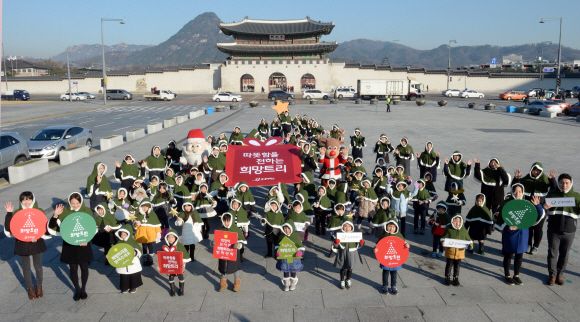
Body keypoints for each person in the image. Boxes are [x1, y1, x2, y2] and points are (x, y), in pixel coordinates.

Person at [4, 192, 50, 300]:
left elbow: (44, 227)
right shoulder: (17, 212)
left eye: (28, 199)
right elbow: (9, 229)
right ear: (21, 201)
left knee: (38, 266)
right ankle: (30, 289)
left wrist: (38, 236)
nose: (26, 202)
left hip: (36, 243)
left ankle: (39, 287)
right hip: (22, 244)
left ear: (33, 200)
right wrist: (9, 214)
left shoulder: (39, 211)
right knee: (26, 268)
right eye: (24, 200)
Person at [49, 192, 94, 301]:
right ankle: (77, 290)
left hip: (84, 243)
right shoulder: (64, 212)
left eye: (77, 203)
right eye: (72, 203)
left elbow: (92, 227)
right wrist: (55, 215)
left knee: (84, 267)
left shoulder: (86, 211)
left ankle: (83, 289)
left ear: (81, 202)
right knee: (73, 268)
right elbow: (51, 227)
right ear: (69, 202)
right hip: (70, 244)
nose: (75, 205)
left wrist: (87, 240)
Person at [495, 184, 544, 285]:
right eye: (515, 191)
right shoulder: (507, 202)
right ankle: (507, 275)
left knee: (519, 255)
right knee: (508, 254)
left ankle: (516, 275)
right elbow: (500, 217)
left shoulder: (526, 203)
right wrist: (507, 226)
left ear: (523, 192)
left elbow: (538, 215)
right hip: (510, 233)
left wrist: (537, 205)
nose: (517, 193)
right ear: (512, 191)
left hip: (523, 233)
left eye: (520, 191)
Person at [543, 173, 580, 286]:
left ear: (571, 183)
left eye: (566, 183)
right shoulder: (552, 193)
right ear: (558, 183)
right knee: (552, 253)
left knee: (564, 254)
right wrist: (544, 207)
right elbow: (543, 207)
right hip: (554, 229)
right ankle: (552, 276)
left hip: (569, 230)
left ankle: (560, 275)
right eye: (561, 183)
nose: (564, 185)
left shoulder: (576, 196)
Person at [513, 163, 554, 255]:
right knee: (529, 228)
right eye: (534, 170)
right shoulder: (525, 179)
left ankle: (536, 246)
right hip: (528, 209)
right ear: (531, 170)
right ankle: (528, 244)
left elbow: (554, 189)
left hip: (541, 208)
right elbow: (514, 188)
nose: (536, 172)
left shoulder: (545, 181)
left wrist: (552, 180)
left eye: (538, 170)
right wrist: (516, 179)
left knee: (538, 228)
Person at [374, 220, 409, 295]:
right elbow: (378, 244)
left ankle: (393, 286)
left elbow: (404, 243)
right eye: (389, 226)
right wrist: (375, 249)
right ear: (386, 226)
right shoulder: (384, 234)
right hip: (385, 259)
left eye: (393, 227)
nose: (391, 228)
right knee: (385, 273)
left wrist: (407, 245)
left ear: (396, 227)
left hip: (395, 259)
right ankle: (385, 286)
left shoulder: (399, 235)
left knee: (394, 273)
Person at [213, 213, 246, 292]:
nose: (226, 223)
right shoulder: (220, 229)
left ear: (231, 221)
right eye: (224, 221)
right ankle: (223, 283)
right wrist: (213, 243)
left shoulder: (236, 229)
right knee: (223, 267)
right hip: (223, 253)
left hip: (233, 252)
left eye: (228, 221)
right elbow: (217, 241)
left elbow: (241, 243)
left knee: (235, 268)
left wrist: (238, 245)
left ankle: (237, 284)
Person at [332, 219, 364, 290]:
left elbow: (358, 246)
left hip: (352, 254)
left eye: (349, 226)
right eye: (345, 226)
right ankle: (342, 280)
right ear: (342, 227)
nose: (347, 228)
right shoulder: (340, 235)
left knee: (350, 267)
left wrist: (361, 243)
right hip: (343, 253)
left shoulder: (355, 235)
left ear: (352, 227)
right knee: (343, 267)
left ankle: (348, 279)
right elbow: (336, 246)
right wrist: (336, 243)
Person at [441, 214, 472, 286]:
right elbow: (443, 237)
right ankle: (447, 277)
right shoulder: (449, 228)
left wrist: (470, 245)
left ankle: (456, 277)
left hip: (459, 252)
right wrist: (443, 242)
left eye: (459, 221)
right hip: (450, 251)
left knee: (457, 266)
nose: (458, 223)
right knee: (449, 265)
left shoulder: (463, 230)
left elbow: (469, 239)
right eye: (455, 221)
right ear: (452, 221)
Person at [111, 224, 143, 294]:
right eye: (122, 235)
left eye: (125, 234)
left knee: (133, 275)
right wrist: (110, 256)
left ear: (128, 234)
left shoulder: (133, 242)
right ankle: (125, 287)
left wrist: (136, 252)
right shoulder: (118, 242)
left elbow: (139, 249)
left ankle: (133, 286)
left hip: (132, 263)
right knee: (124, 276)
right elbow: (114, 251)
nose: (123, 236)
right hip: (123, 263)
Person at [275, 219, 305, 291]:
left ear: (291, 228)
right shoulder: (282, 236)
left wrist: (300, 252)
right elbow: (278, 245)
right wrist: (277, 252)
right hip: (284, 259)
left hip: (294, 259)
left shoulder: (295, 236)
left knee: (293, 271)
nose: (287, 230)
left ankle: (293, 283)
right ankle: (286, 284)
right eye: (285, 229)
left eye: (288, 228)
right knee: (286, 271)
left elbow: (300, 246)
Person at [163, 230, 191, 296]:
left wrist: (184, 262)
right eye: (169, 237)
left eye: (172, 237)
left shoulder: (180, 246)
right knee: (171, 277)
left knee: (180, 276)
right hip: (170, 266)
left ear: (175, 238)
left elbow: (185, 254)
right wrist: (161, 265)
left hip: (179, 265)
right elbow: (162, 256)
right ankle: (172, 290)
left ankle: (181, 289)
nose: (170, 239)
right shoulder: (165, 246)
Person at [133, 199, 161, 267]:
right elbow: (135, 225)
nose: (145, 208)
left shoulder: (152, 214)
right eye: (143, 207)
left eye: (146, 207)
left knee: (151, 245)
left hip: (150, 234)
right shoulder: (139, 214)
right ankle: (145, 257)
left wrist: (158, 232)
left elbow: (156, 224)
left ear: (149, 207)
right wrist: (136, 224)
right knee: (144, 246)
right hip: (142, 234)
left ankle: (150, 257)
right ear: (140, 207)